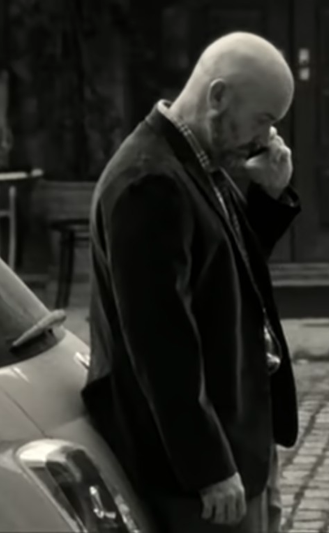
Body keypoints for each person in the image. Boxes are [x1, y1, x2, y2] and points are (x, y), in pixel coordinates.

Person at [83, 32, 301, 531]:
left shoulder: (197, 160)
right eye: (264, 119)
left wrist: (268, 197)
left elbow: (223, 274)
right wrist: (209, 467)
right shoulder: (150, 182)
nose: (267, 138)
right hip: (200, 467)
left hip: (240, 432)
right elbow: (161, 345)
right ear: (219, 96)